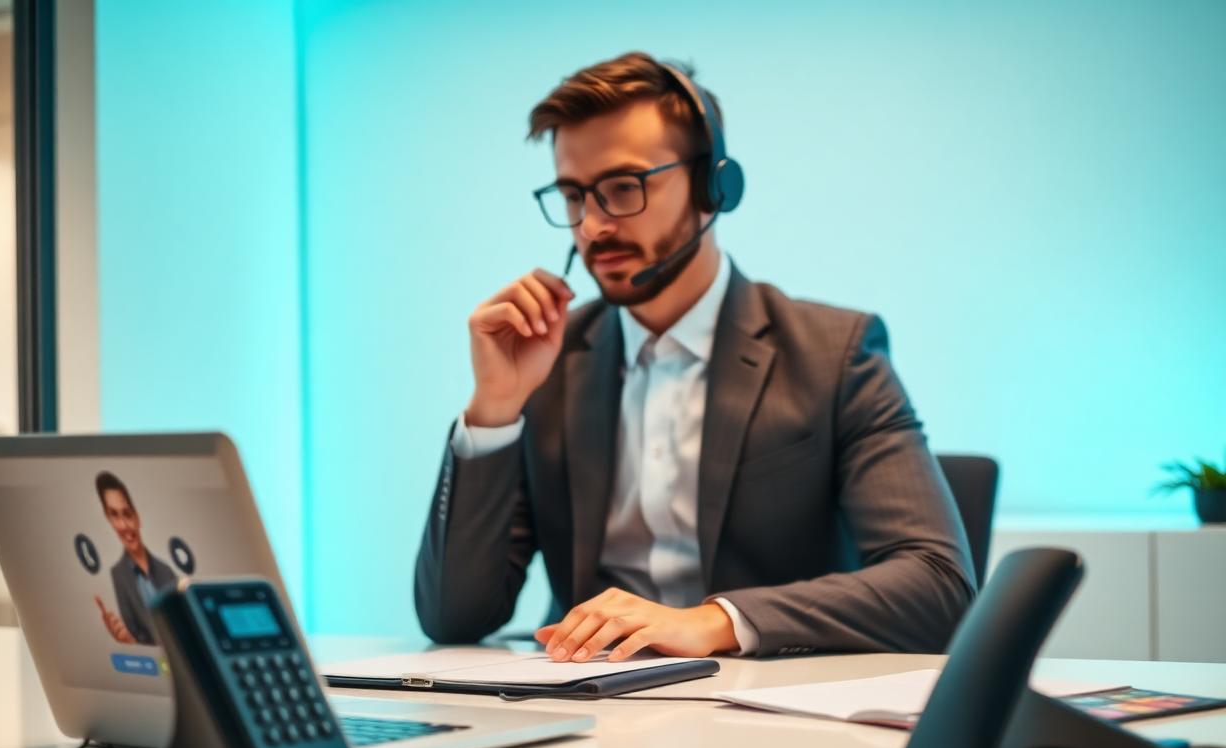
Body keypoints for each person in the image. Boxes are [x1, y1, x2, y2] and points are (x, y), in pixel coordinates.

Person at [414, 51, 975, 662]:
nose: (593, 226)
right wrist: (494, 409)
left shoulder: (834, 355)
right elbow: (456, 617)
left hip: (767, 714)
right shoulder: (549, 360)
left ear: (714, 187)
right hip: (587, 710)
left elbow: (938, 585)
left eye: (623, 188)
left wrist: (715, 621)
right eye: (574, 196)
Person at [92, 471, 174, 645]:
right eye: (114, 515)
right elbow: (138, 643)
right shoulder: (117, 576)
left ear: (137, 517)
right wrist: (128, 641)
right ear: (108, 519)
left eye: (127, 514)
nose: (123, 526)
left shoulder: (166, 572)